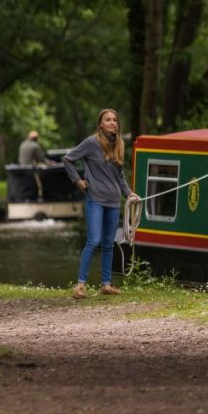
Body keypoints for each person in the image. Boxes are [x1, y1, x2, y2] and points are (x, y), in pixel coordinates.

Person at [62, 109, 140, 299]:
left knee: (108, 244)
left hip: (114, 201)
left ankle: (106, 285)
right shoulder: (91, 143)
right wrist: (78, 181)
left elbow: (119, 175)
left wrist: (129, 193)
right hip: (95, 199)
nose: (113, 123)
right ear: (101, 124)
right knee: (93, 241)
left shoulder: (118, 144)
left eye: (115, 120)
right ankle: (80, 285)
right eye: (108, 120)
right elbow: (68, 159)